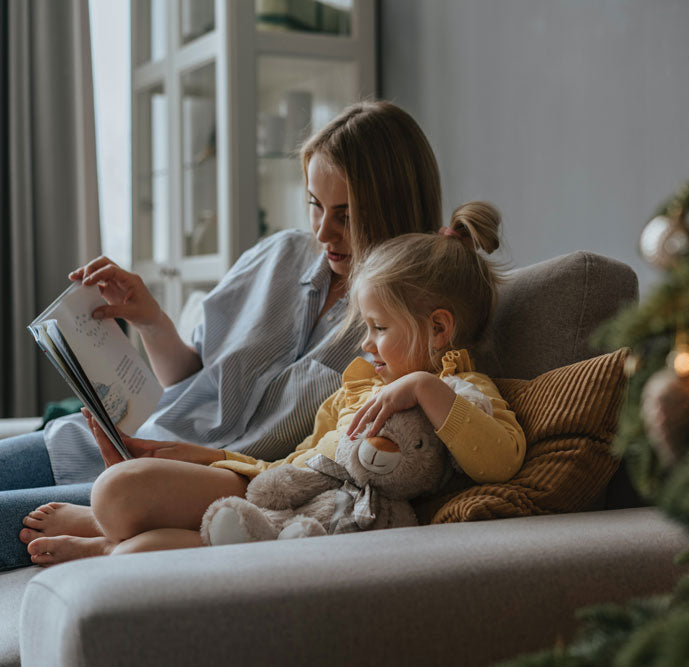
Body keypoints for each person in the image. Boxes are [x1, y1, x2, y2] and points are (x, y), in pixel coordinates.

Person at [1, 100, 444, 571]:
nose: (322, 232)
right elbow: (193, 377)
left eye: (346, 216)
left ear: (394, 210)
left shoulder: (403, 326)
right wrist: (150, 318)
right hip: (116, 437)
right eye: (315, 205)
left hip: (177, 486)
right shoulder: (279, 255)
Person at [27, 203, 525, 562]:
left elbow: (501, 460)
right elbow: (293, 464)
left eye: (378, 328)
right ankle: (108, 523)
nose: (367, 344)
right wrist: (212, 458)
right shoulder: (354, 390)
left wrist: (423, 387)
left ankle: (107, 542)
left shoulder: (465, 391)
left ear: (438, 328)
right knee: (116, 489)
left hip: (315, 526)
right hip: (278, 494)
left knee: (134, 553)